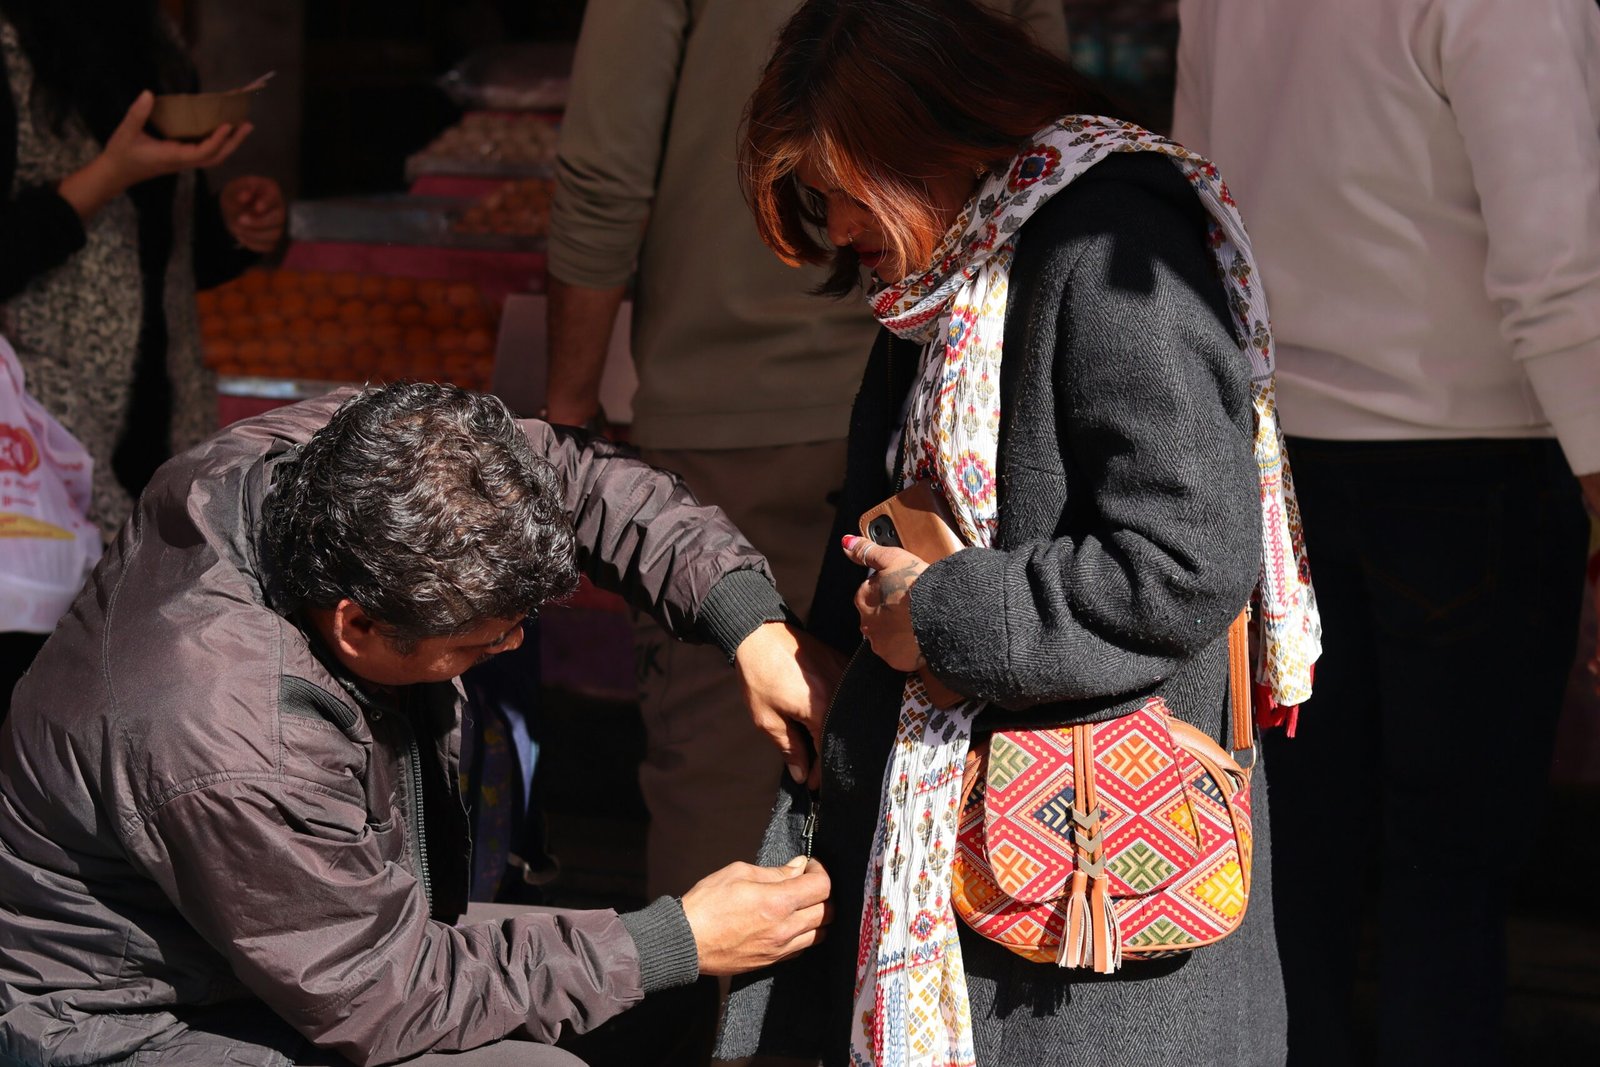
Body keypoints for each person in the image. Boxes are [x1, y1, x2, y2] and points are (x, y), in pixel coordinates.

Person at [716, 2, 1321, 1063]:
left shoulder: (1106, 241)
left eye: (838, 193)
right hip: (984, 862)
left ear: (922, 139)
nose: (840, 230)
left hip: (1088, 892)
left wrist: (942, 613)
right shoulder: (952, 271)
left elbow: (1183, 562)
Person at [0, 382, 837, 1067]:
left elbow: (582, 480)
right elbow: (385, 990)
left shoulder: (348, 459)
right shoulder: (231, 734)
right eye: (480, 641)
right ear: (356, 625)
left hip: (301, 930)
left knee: (662, 999)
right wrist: (675, 935)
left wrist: (749, 625)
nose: (510, 645)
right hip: (129, 1012)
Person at [544, 0, 1069, 904]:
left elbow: (604, 170)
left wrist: (567, 419)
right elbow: (1042, 132)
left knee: (735, 782)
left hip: (780, 418)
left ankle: (741, 1034)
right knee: (936, 767)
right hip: (938, 411)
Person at [1171, 2, 1600, 1063]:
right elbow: (1558, 270)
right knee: (1443, 882)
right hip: (1467, 460)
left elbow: (1201, 202)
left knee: (1303, 871)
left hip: (1285, 450)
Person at [0, 0, 286, 716]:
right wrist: (106, 175)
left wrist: (233, 232)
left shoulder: (149, 40)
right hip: (35, 458)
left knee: (133, 710)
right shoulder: (8, 47)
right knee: (36, 709)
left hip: (161, 437)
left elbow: (164, 252)